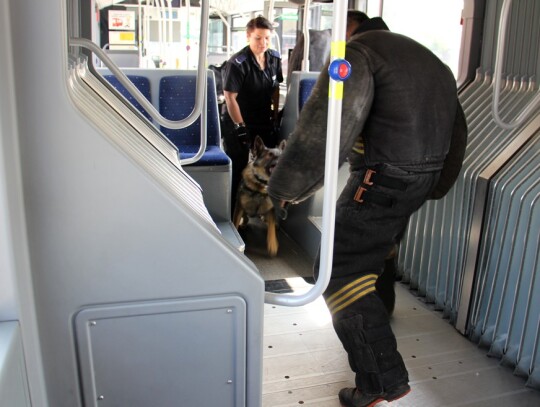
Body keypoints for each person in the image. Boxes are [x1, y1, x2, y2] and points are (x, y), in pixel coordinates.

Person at [268, 10, 467, 407]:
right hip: (422, 178)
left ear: (348, 28)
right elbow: (458, 131)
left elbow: (328, 126)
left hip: (381, 179)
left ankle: (379, 382)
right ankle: (380, 314)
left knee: (341, 271)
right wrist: (435, 185)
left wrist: (288, 186)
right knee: (376, 249)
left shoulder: (357, 53)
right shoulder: (431, 60)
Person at [221, 15, 283, 215]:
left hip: (263, 119)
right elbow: (230, 98)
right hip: (239, 120)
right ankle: (232, 215)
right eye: (258, 38)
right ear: (248, 37)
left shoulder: (274, 58)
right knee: (239, 168)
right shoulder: (237, 63)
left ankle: (264, 213)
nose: (263, 43)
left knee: (270, 167)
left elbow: (275, 89)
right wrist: (240, 128)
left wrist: (274, 115)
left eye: (267, 38)